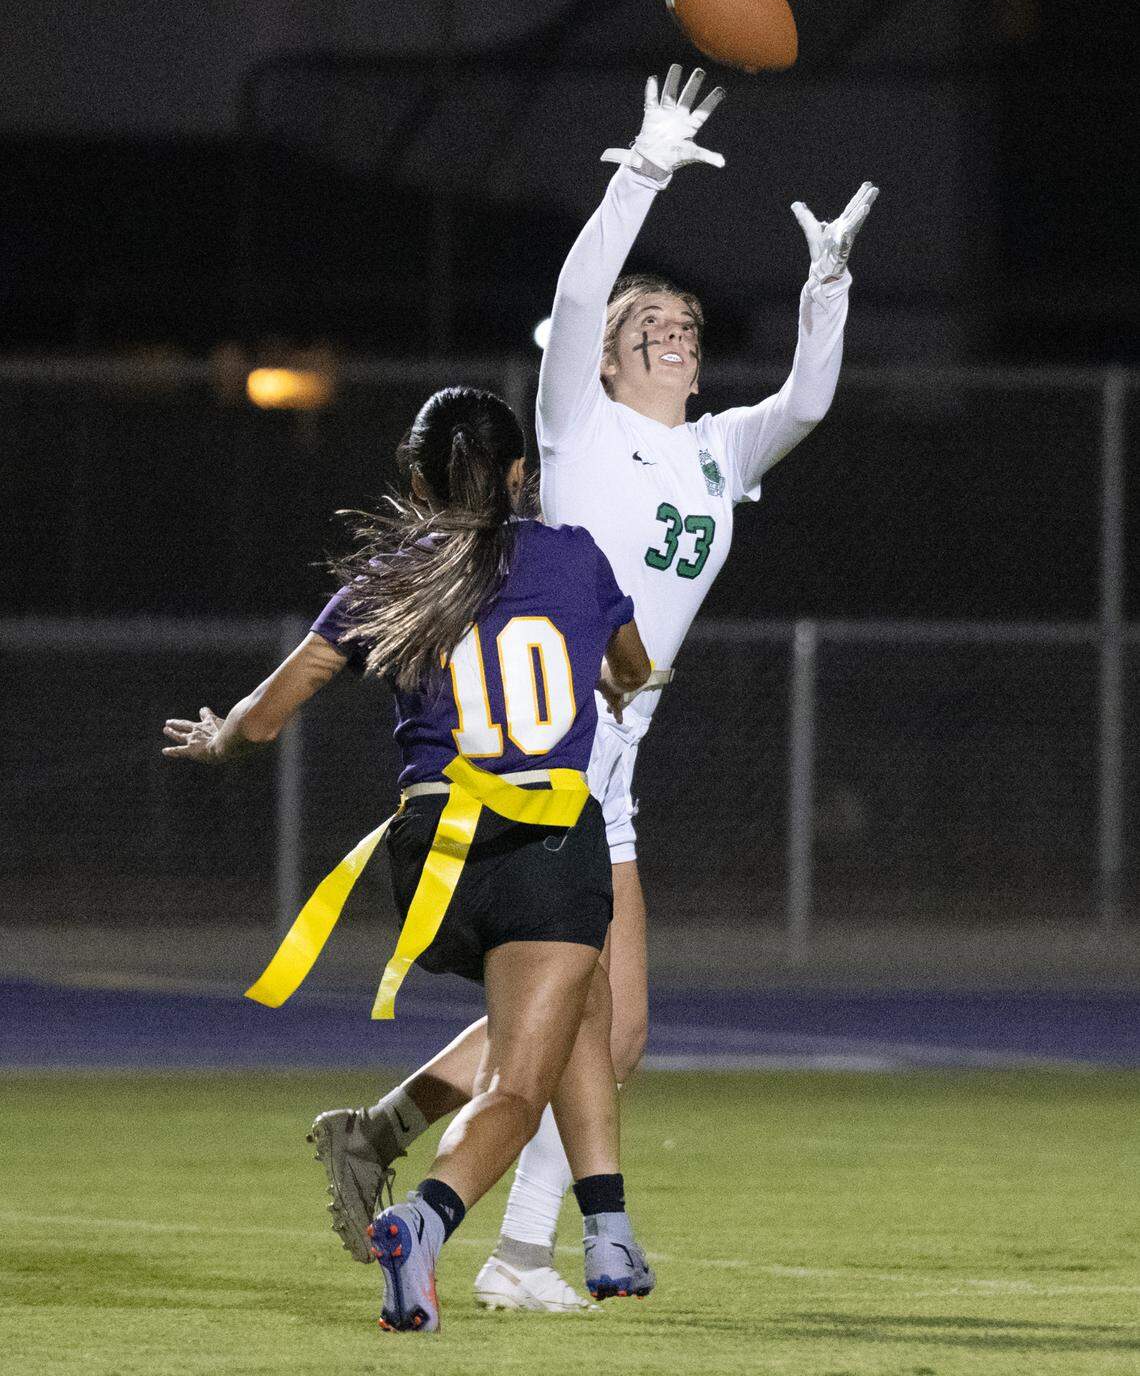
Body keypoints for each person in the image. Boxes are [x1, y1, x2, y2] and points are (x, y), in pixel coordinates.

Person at [309, 67, 879, 1312]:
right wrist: (643, 171)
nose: (669, 327)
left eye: (680, 319)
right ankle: (507, 1247)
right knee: (592, 1027)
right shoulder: (576, 429)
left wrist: (823, 290)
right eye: (645, 325)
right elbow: (578, 294)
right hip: (549, 752)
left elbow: (811, 398)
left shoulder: (713, 449)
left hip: (617, 753)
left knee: (604, 1030)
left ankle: (409, 1154)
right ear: (606, 362)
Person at [162, 385, 655, 1332]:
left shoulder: (392, 575)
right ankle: (431, 1223)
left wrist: (221, 737)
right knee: (521, 1079)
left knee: (573, 999)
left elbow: (265, 715)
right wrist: (601, 671)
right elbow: (629, 669)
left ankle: (606, 1228)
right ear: (521, 477)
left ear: (419, 482)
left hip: (432, 852)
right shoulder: (574, 556)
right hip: (546, 838)